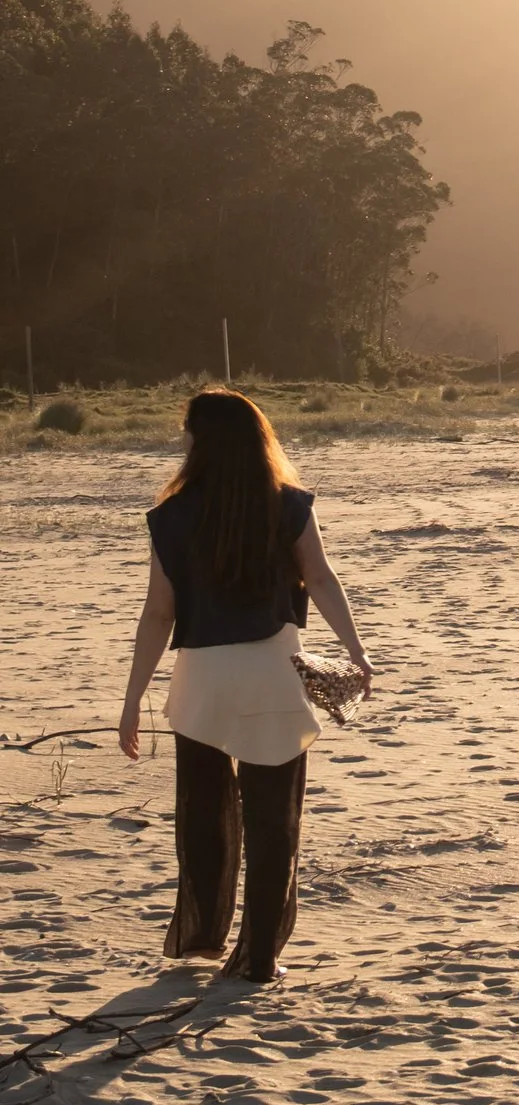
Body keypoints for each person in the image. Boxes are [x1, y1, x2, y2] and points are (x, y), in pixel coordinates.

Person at [117, 389, 373, 984]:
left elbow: (158, 614)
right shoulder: (288, 505)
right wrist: (357, 651)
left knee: (203, 813)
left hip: (201, 681)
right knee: (272, 820)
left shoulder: (171, 516)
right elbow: (322, 578)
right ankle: (261, 958)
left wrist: (133, 699)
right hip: (271, 675)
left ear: (200, 442)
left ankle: (203, 936)